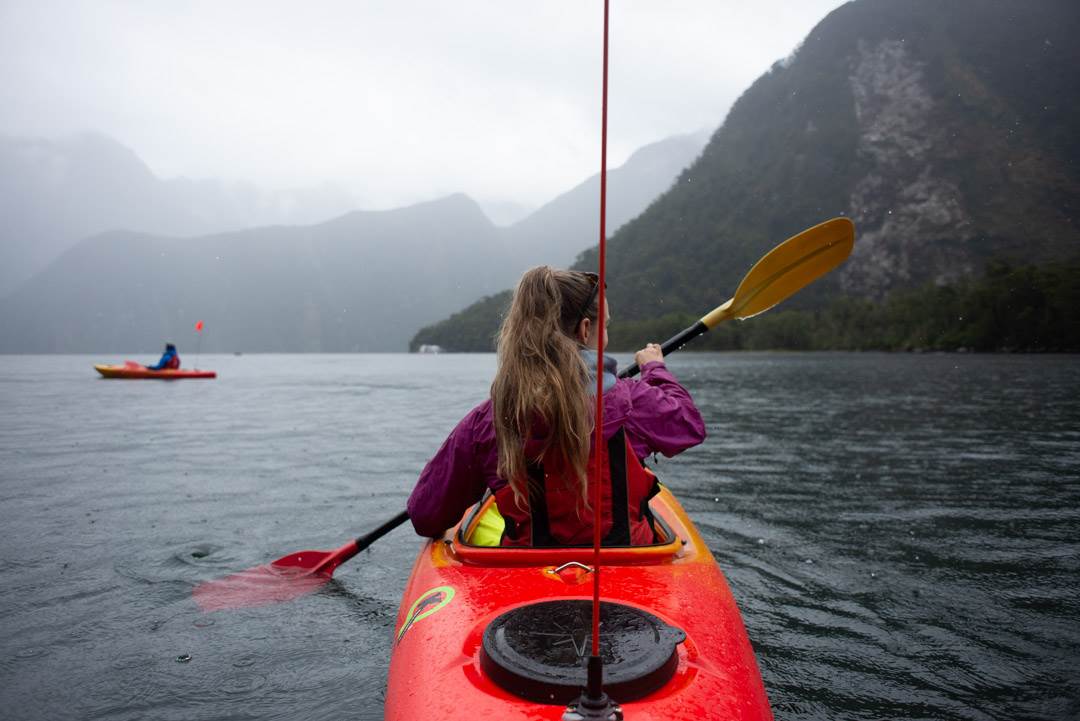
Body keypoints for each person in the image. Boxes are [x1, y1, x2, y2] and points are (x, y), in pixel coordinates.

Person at [406, 266, 706, 547]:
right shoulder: (632, 402)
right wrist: (654, 369)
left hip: (525, 574)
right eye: (605, 326)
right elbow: (688, 427)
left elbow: (425, 517)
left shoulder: (489, 420)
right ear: (585, 330)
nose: (606, 335)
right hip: (632, 567)